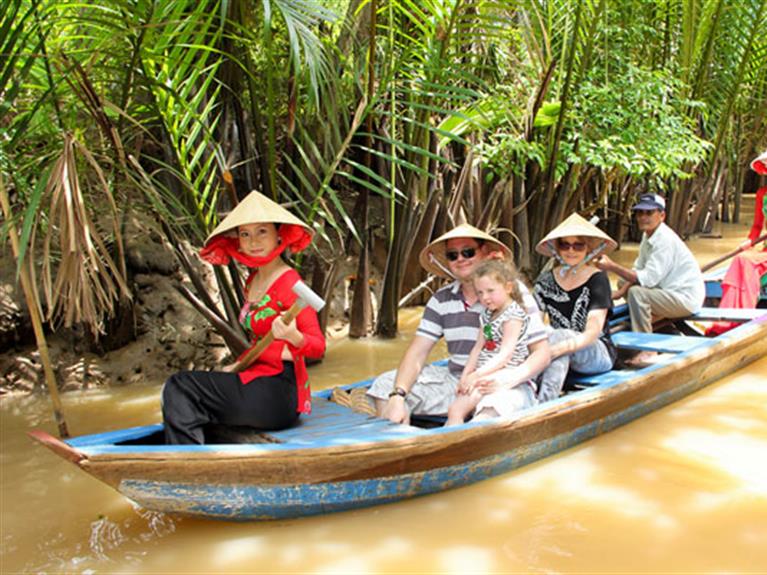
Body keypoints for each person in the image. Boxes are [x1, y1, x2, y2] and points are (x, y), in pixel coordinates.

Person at [161, 191, 326, 444]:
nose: (253, 241)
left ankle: (187, 461)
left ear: (278, 234)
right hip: (255, 377)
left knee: (180, 385)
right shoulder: (253, 281)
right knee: (184, 390)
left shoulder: (290, 282)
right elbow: (259, 343)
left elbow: (318, 347)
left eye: (262, 232)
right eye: (245, 234)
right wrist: (237, 366)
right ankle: (192, 454)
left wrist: (293, 336)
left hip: (278, 392)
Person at [366, 223, 550, 424]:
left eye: (468, 252)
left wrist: (509, 379)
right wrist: (398, 396)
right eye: (453, 255)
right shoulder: (441, 300)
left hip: (508, 383)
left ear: (485, 253)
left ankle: (462, 442)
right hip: (457, 381)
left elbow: (541, 353)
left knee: (491, 410)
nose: (460, 259)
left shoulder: (511, 294)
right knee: (385, 386)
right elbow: (417, 352)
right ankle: (402, 441)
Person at [595, 193, 705, 363]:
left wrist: (611, 266)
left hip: (685, 298)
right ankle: (651, 318)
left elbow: (648, 279)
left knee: (637, 294)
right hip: (666, 291)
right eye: (640, 213)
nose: (643, 217)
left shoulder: (664, 240)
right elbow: (638, 269)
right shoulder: (649, 235)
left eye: (649, 213)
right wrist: (619, 292)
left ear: (662, 215)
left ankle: (647, 349)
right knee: (624, 282)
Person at [533, 214, 617, 401]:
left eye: (578, 245)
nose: (571, 251)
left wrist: (556, 349)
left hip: (596, 352)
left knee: (559, 337)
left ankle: (544, 402)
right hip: (557, 348)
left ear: (588, 248)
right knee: (543, 336)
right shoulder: (545, 280)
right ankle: (525, 394)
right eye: (565, 245)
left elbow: (592, 333)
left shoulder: (598, 279)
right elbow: (533, 325)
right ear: (557, 248)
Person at [446, 260, 536, 426]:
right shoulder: (487, 314)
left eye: (490, 291)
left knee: (467, 407)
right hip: (484, 371)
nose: (485, 298)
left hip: (505, 370)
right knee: (455, 410)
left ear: (508, 288)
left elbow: (505, 354)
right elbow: (478, 347)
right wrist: (466, 375)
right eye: (480, 293)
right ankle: (447, 440)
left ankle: (460, 439)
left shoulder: (513, 315)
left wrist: (477, 375)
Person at [706, 150, 767, 336]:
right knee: (741, 258)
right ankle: (732, 318)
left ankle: (739, 316)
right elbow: (757, 226)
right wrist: (749, 241)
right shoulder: (762, 194)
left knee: (746, 261)